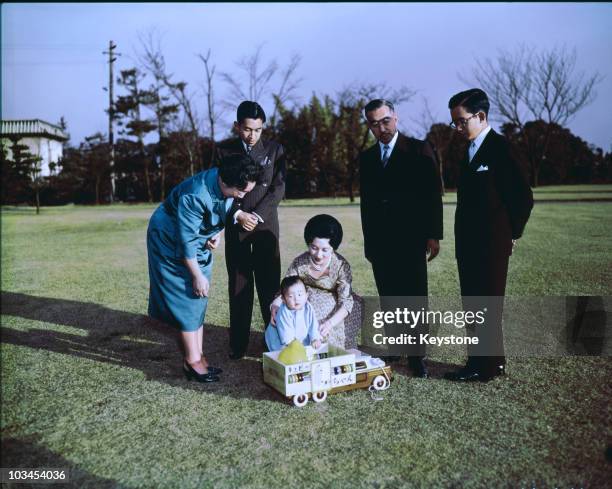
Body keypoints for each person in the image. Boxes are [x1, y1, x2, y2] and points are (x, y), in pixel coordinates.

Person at [444, 88, 533, 382]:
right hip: (467, 244)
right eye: (454, 122)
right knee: (472, 306)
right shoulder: (468, 150)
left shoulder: (502, 148)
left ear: (481, 116)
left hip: (492, 243)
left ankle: (490, 366)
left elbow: (522, 197)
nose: (457, 128)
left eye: (461, 121)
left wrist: (512, 234)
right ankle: (478, 362)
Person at [147, 153, 261, 383]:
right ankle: (192, 362)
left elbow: (225, 204)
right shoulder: (195, 195)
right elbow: (185, 240)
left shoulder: (223, 180)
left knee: (199, 298)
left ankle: (198, 355)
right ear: (225, 181)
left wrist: (216, 233)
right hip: (170, 240)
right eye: (242, 191)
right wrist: (196, 274)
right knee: (187, 297)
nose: (244, 196)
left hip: (197, 239)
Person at [359, 99, 443, 378]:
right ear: (369, 126)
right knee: (389, 297)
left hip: (411, 239)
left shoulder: (419, 150)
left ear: (395, 117)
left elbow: (433, 195)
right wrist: (369, 243)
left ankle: (418, 356)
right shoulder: (367, 158)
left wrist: (433, 235)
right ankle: (395, 346)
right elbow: (367, 206)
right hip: (380, 243)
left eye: (385, 120)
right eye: (374, 123)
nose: (381, 127)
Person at [215, 101, 286, 360]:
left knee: (270, 286)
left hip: (265, 226)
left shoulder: (276, 150)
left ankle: (274, 340)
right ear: (237, 127)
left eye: (257, 130)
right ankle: (238, 344)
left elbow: (277, 189)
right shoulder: (223, 150)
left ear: (263, 128)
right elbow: (217, 186)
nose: (252, 135)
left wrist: (255, 215)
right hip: (237, 227)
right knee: (239, 285)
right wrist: (238, 214)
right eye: (247, 129)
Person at [270, 214, 362, 349]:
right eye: (314, 248)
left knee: (326, 341)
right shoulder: (300, 262)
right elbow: (286, 288)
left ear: (333, 248)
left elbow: (346, 302)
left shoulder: (342, 266)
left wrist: (330, 323)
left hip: (334, 308)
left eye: (325, 250)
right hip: (304, 301)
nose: (318, 255)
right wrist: (275, 307)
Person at [264, 276, 322, 351]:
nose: (296, 299)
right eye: (291, 296)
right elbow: (286, 333)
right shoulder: (283, 312)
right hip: (281, 339)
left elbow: (313, 324)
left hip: (299, 337)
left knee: (307, 350)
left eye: (300, 294)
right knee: (283, 354)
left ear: (306, 295)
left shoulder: (308, 308)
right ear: (283, 299)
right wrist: (291, 343)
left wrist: (315, 338)